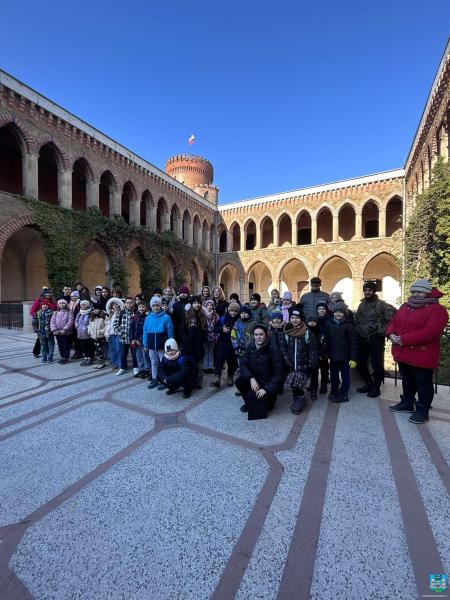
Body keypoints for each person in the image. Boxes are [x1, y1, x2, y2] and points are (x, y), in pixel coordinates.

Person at [386, 279, 449, 424]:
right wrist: (390, 334)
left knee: (423, 383)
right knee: (407, 380)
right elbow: (393, 323)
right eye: (413, 292)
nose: (416, 295)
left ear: (427, 293)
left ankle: (422, 410)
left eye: (420, 292)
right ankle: (407, 403)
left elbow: (431, 332)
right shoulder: (406, 306)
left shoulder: (437, 309)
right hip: (403, 352)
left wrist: (403, 339)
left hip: (422, 354)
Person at [354, 281, 396, 398]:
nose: (367, 292)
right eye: (366, 290)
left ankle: (376, 387)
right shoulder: (361, 304)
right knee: (360, 363)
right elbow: (357, 319)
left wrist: (381, 332)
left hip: (376, 339)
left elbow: (391, 320)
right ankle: (369, 383)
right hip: (362, 338)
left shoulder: (381, 304)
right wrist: (359, 329)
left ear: (374, 291)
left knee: (377, 365)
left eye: (370, 290)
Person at [236, 325, 284, 419]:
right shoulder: (250, 346)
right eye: (256, 334)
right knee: (240, 381)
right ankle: (249, 403)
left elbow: (279, 374)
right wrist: (251, 378)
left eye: (261, 334)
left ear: (266, 335)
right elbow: (243, 364)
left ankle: (270, 400)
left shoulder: (274, 349)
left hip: (268, 381)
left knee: (267, 407)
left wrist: (266, 389)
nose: (258, 337)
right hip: (255, 379)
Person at [281, 308, 318, 414]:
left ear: (301, 319)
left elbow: (313, 349)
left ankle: (300, 399)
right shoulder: (287, 332)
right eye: (292, 318)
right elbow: (283, 348)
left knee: (298, 383)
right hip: (291, 365)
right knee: (293, 383)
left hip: (304, 365)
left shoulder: (307, 333)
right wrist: (287, 362)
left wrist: (311, 364)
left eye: (297, 318)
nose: (294, 320)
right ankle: (298, 398)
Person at [324, 302, 358, 403]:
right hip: (333, 356)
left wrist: (353, 358)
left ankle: (344, 393)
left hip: (345, 357)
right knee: (334, 376)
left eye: (341, 312)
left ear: (345, 314)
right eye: (336, 312)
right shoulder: (329, 324)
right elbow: (326, 340)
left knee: (345, 376)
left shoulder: (349, 326)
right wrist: (326, 352)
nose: (338, 314)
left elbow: (354, 343)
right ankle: (334, 391)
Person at [143, 296, 174, 389]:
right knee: (153, 362)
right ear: (151, 307)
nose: (155, 307)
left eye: (157, 305)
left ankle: (164, 379)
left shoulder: (166, 317)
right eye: (153, 306)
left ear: (160, 306)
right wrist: (145, 344)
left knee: (163, 362)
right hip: (152, 344)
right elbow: (145, 331)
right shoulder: (148, 318)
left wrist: (170, 344)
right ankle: (154, 378)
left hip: (163, 344)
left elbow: (170, 331)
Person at [210, 302, 241, 388]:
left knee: (231, 361)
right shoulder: (223, 319)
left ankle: (230, 376)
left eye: (235, 311)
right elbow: (215, 329)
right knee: (219, 360)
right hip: (222, 343)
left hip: (233, 345)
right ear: (228, 310)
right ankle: (217, 379)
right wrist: (222, 330)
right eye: (231, 311)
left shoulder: (239, 320)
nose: (233, 313)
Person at [181, 296, 206, 387]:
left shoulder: (202, 315)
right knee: (188, 364)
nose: (197, 305)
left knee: (199, 364)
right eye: (194, 303)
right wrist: (186, 340)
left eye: (198, 303)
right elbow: (182, 329)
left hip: (198, 344)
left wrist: (202, 340)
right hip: (189, 344)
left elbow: (204, 329)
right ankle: (189, 382)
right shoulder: (187, 314)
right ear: (191, 304)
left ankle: (198, 382)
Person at [30, 287, 58, 358]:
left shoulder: (52, 301)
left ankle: (47, 352)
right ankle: (36, 352)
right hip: (42, 324)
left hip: (50, 324)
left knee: (49, 338)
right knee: (40, 339)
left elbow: (56, 309)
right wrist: (38, 318)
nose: (48, 294)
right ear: (43, 294)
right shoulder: (39, 301)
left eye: (49, 293)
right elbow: (33, 311)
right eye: (47, 293)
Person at [310, 301, 330, 395]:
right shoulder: (314, 320)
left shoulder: (329, 320)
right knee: (314, 368)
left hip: (324, 348)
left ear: (326, 310)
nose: (321, 311)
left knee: (324, 368)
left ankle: (324, 385)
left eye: (323, 309)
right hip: (314, 348)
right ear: (316, 310)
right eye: (319, 309)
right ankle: (313, 385)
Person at [50, 298, 74, 364]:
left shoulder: (69, 312)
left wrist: (64, 329)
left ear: (66, 304)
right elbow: (52, 321)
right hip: (58, 332)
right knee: (60, 345)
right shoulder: (56, 313)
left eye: (63, 303)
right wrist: (55, 329)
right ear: (58, 305)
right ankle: (62, 357)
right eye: (60, 303)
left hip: (66, 332)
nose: (61, 304)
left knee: (66, 345)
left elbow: (70, 321)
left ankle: (66, 357)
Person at [116, 297, 135, 375]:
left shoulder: (135, 313)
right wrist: (120, 332)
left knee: (134, 354)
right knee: (123, 354)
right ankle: (123, 367)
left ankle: (136, 367)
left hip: (132, 338)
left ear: (133, 304)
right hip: (123, 338)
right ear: (125, 304)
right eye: (127, 303)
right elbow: (115, 324)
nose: (129, 304)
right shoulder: (121, 313)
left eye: (131, 303)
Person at [32, 298, 55, 363]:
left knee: (51, 344)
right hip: (41, 332)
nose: (44, 305)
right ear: (41, 305)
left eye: (46, 304)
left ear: (48, 305)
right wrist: (36, 330)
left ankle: (50, 357)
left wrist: (53, 330)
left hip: (49, 332)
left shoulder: (52, 313)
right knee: (43, 345)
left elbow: (54, 322)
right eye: (43, 304)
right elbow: (34, 322)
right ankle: (44, 357)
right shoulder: (38, 313)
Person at [105, 298, 124, 370]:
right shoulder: (110, 314)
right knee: (113, 349)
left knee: (119, 349)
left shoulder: (121, 313)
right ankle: (115, 363)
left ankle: (120, 364)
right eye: (113, 305)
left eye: (117, 305)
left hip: (118, 334)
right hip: (111, 334)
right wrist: (107, 334)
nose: (115, 306)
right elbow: (108, 325)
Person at [75, 300, 95, 366]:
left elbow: (92, 322)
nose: (83, 306)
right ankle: (86, 357)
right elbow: (76, 320)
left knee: (89, 346)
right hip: (80, 332)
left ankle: (90, 358)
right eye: (82, 305)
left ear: (88, 305)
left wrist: (87, 328)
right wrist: (77, 326)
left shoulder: (90, 313)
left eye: (85, 305)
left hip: (87, 333)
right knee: (83, 346)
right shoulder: (80, 313)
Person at [88, 304, 107, 369]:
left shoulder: (103, 317)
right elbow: (89, 325)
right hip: (94, 336)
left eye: (97, 309)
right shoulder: (92, 317)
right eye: (94, 309)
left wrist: (101, 331)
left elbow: (107, 325)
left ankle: (102, 363)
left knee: (99, 350)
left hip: (100, 336)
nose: (96, 311)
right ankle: (98, 362)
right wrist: (90, 331)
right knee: (96, 350)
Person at [202, 299, 219, 374]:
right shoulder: (203, 315)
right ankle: (205, 366)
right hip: (205, 335)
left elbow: (217, 325)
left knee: (211, 351)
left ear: (213, 306)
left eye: (211, 305)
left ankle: (211, 366)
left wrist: (215, 333)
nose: (209, 306)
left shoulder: (215, 315)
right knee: (205, 351)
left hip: (212, 335)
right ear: (206, 306)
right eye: (208, 305)